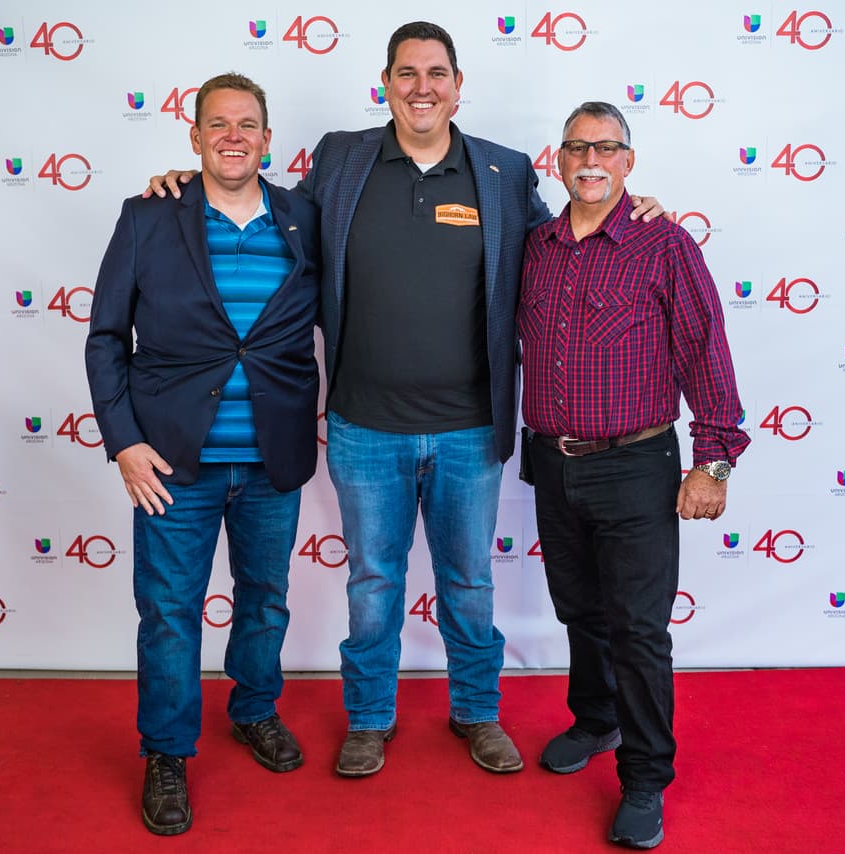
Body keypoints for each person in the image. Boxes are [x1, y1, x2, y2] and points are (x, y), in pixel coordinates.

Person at [149, 22, 666, 779]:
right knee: (373, 582)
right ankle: (368, 719)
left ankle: (477, 713)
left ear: (459, 85)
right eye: (406, 73)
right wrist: (186, 185)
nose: (421, 86)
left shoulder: (502, 170)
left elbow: (567, 244)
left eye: (436, 73)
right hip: (364, 428)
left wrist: (629, 205)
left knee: (468, 583)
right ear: (385, 84)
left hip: (468, 430)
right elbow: (266, 210)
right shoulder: (342, 158)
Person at [85, 73, 321, 836]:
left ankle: (253, 709)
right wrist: (123, 440)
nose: (233, 136)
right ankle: (166, 752)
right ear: (193, 137)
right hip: (172, 465)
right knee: (169, 613)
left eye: (247, 124)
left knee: (265, 598)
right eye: (217, 124)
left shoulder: (302, 218)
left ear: (266, 138)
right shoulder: (150, 215)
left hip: (270, 459)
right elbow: (104, 338)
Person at [517, 101, 750, 849]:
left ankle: (646, 777)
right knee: (579, 609)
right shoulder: (538, 245)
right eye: (577, 146)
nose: (590, 159)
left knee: (639, 631)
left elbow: (704, 350)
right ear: (557, 159)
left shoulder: (665, 244)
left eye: (606, 148)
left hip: (637, 465)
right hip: (552, 461)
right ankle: (596, 719)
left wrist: (712, 461)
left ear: (629, 161)